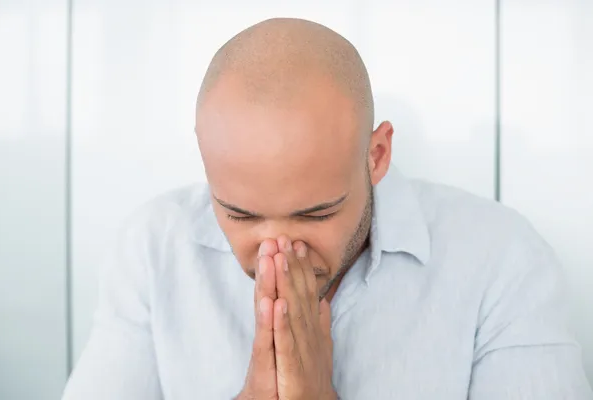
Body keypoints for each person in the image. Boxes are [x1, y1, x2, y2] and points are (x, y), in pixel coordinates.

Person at [62, 17, 593, 400]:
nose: (277, 249)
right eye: (241, 215)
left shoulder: (501, 261)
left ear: (377, 155)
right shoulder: (153, 249)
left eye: (315, 214)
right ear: (206, 155)